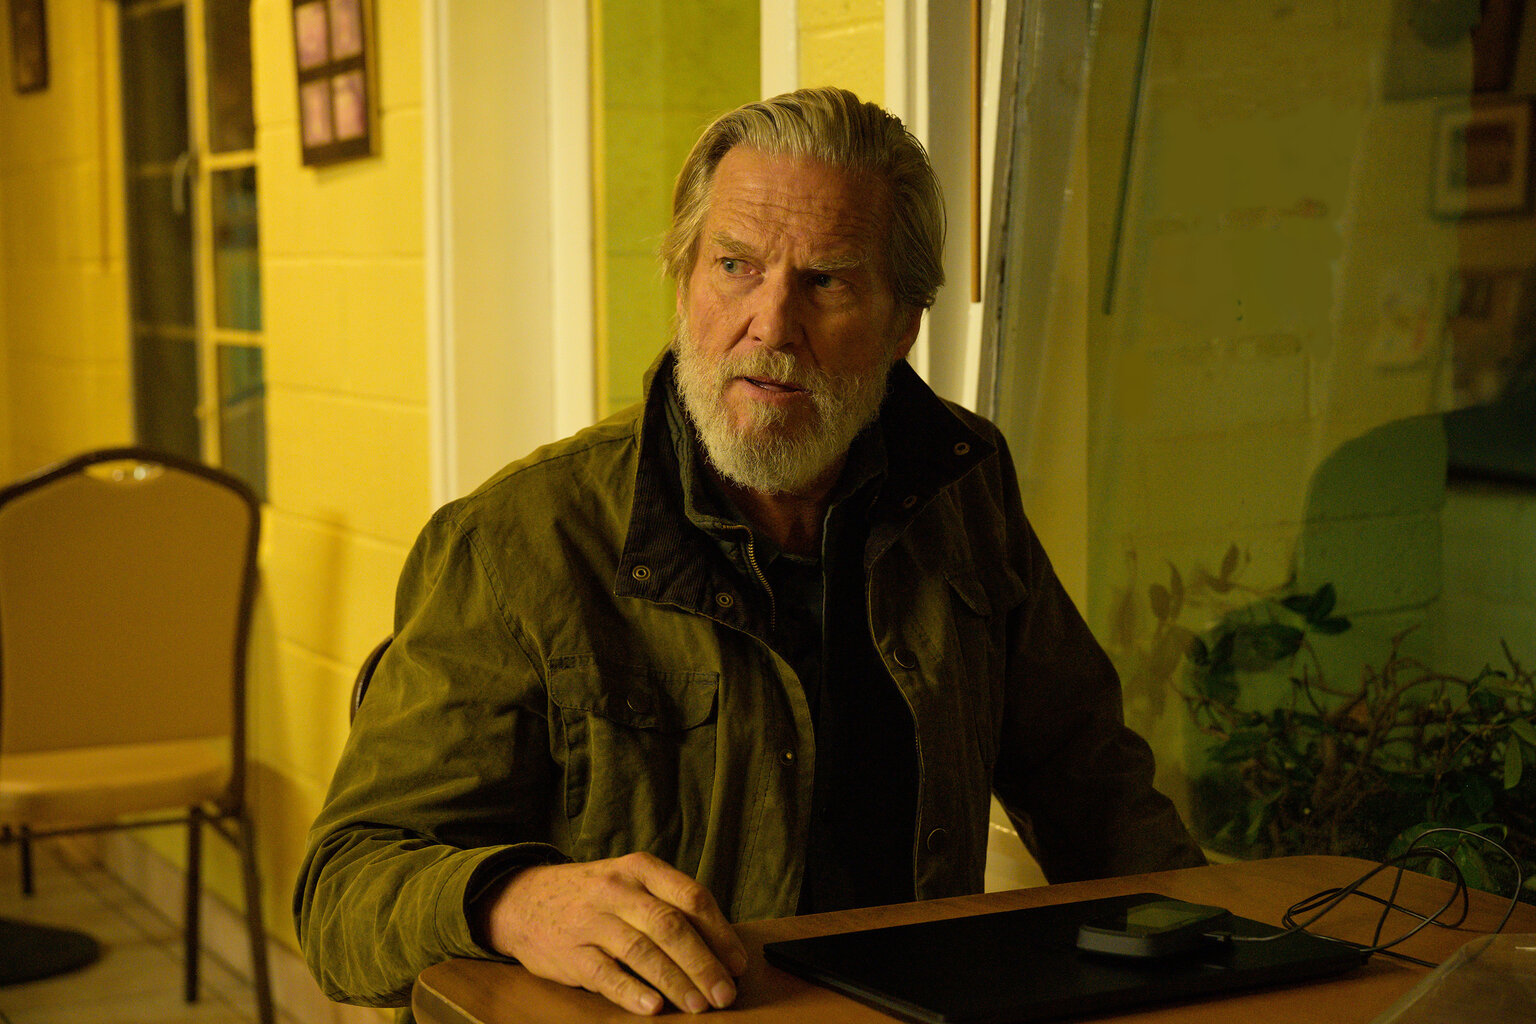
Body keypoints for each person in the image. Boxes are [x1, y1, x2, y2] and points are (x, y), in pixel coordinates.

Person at [295, 86, 1204, 1020]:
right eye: (735, 266)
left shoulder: (961, 486)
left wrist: (1221, 952)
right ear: (684, 282)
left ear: (903, 325)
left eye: (827, 281)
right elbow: (342, 891)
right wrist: (512, 901)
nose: (771, 326)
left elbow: (1091, 783)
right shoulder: (518, 541)